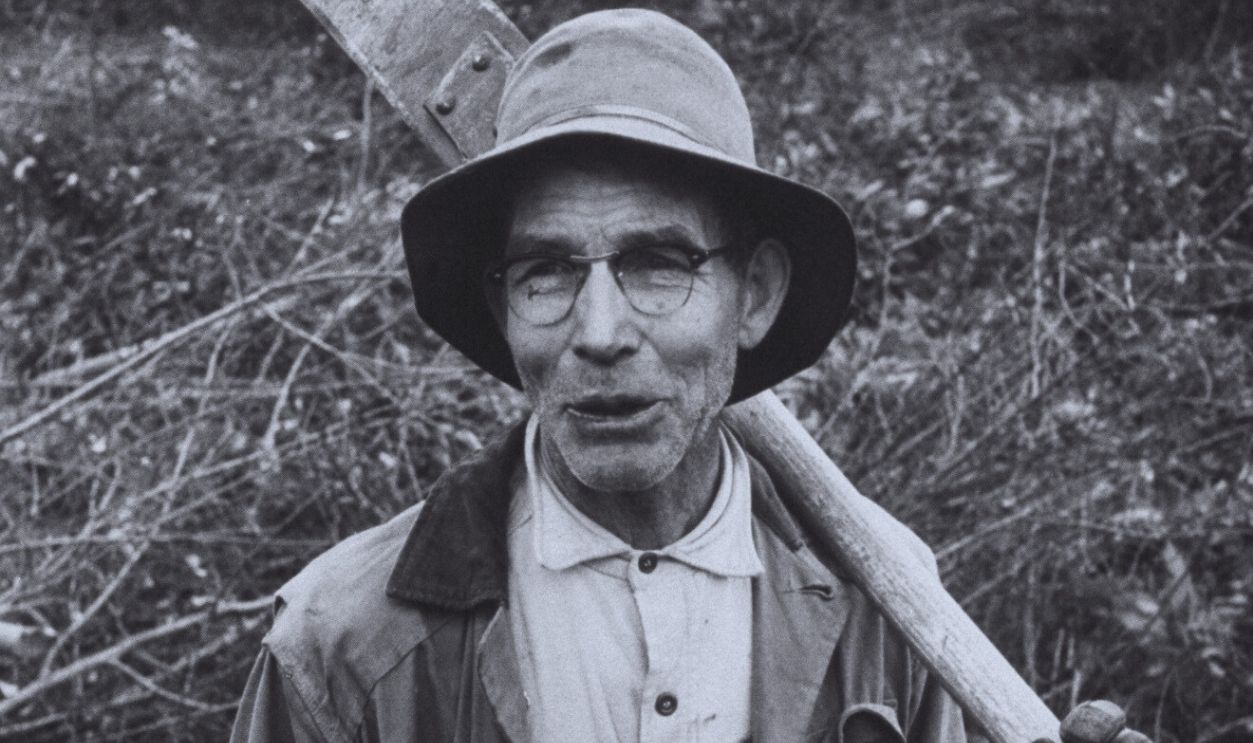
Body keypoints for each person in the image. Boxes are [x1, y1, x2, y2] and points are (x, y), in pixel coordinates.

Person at [230, 9, 1147, 743]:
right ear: (502, 304)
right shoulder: (343, 643)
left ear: (756, 295)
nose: (599, 333)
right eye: (546, 272)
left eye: (658, 263)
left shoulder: (891, 611)